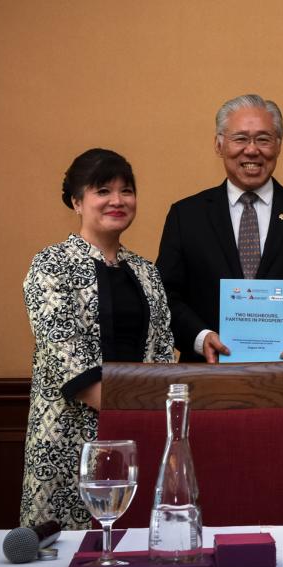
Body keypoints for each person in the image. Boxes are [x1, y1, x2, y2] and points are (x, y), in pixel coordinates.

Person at [20, 148, 174, 529]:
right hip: (70, 442)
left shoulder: (146, 272)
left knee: (139, 556)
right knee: (65, 565)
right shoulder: (51, 265)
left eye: (127, 190)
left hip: (140, 441)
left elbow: (162, 355)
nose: (117, 201)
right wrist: (136, 419)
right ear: (77, 201)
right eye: (102, 190)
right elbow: (69, 360)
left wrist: (149, 425)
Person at [157, 94, 283, 362]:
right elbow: (165, 295)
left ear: (278, 145)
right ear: (219, 144)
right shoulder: (186, 216)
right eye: (240, 138)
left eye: (263, 139)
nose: (251, 150)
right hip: (205, 378)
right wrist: (200, 338)